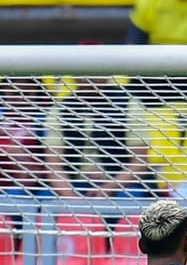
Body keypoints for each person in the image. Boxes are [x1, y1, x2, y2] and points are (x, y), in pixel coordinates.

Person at [45, 71, 154, 199]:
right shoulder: (59, 110)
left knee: (131, 198)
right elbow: (54, 167)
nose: (87, 78)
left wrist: (108, 188)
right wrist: (72, 198)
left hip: (121, 185)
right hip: (74, 185)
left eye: (94, 72)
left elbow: (139, 163)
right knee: (44, 199)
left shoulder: (129, 104)